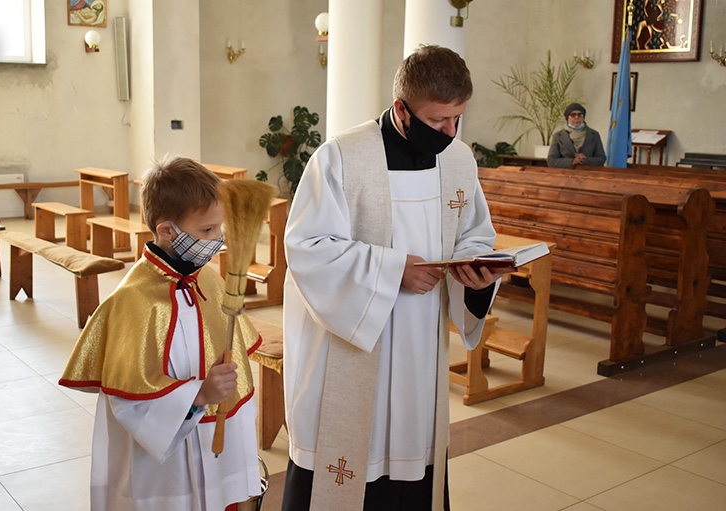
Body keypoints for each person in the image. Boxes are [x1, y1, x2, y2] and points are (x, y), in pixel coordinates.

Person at [281, 45, 508, 511]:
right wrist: (392, 270)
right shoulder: (341, 157)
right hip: (354, 344)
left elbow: (474, 235)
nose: (449, 133)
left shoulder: (460, 160)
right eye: (438, 121)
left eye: (457, 119)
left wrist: (475, 275)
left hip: (420, 349)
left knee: (414, 458)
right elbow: (307, 248)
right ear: (402, 109)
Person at [59, 157, 262, 511]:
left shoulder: (211, 281)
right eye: (207, 231)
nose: (218, 240)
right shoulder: (130, 302)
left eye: (220, 228)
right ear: (167, 231)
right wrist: (199, 395)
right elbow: (128, 403)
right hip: (164, 474)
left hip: (216, 456)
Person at [547, 103, 606, 168]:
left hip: (588, 174)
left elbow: (601, 159)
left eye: (580, 114)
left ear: (583, 117)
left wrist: (584, 160)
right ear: (567, 117)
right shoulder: (558, 136)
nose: (577, 117)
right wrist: (571, 161)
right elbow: (551, 161)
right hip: (565, 174)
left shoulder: (594, 135)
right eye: (573, 115)